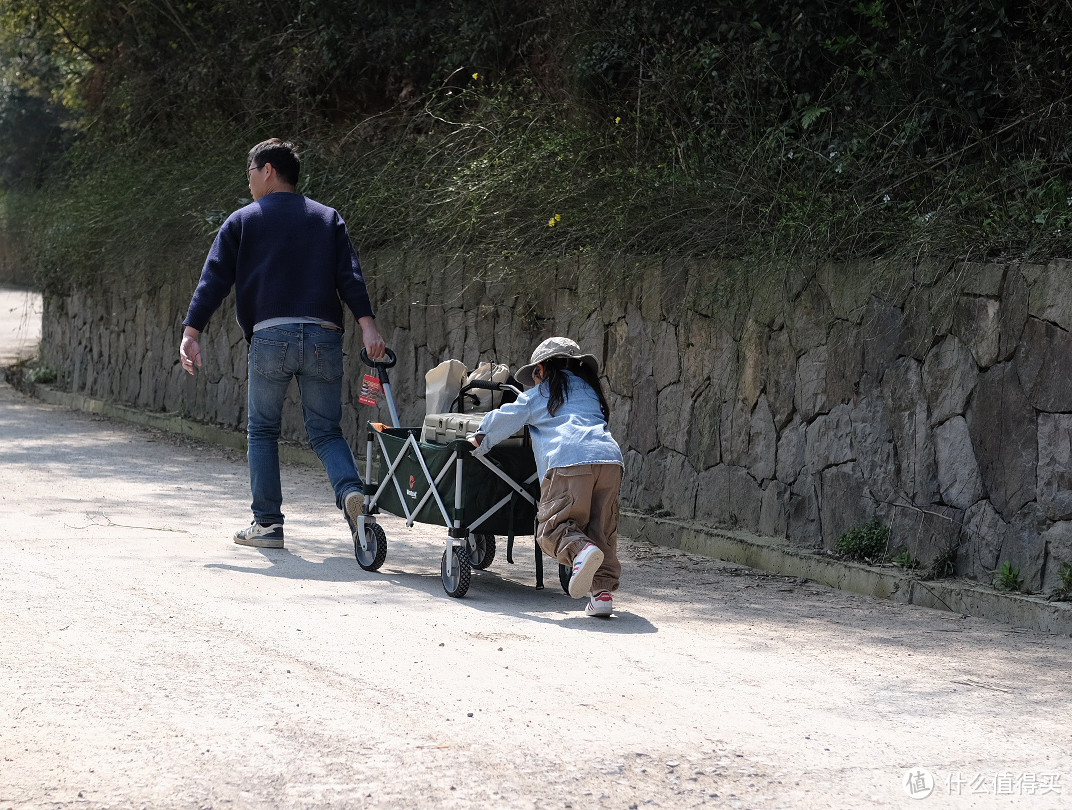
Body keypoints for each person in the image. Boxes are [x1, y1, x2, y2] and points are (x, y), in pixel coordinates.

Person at [179, 138, 386, 550]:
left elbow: (214, 279)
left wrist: (192, 332)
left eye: (251, 172)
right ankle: (350, 494)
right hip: (324, 336)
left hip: (271, 336)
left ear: (268, 170)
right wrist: (368, 326)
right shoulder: (327, 219)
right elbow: (350, 275)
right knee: (327, 431)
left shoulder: (243, 220)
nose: (250, 181)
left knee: (263, 430)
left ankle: (268, 523)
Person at [469, 337, 624, 617]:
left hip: (569, 460)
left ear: (541, 368)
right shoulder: (590, 391)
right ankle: (601, 595)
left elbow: (509, 415)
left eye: (535, 375)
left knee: (553, 529)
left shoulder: (543, 393)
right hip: (610, 459)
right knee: (602, 531)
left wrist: (481, 437)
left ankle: (580, 552)